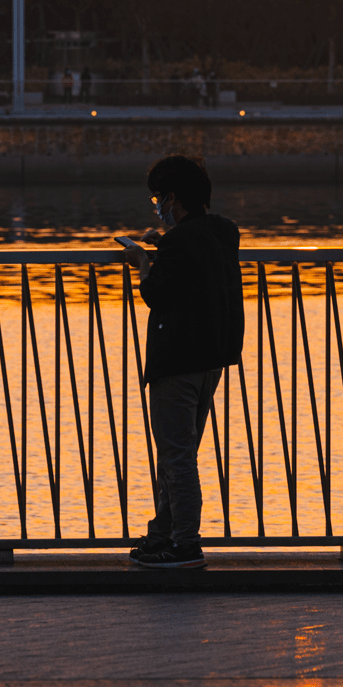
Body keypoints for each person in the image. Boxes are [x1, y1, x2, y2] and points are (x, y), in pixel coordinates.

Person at [119, 154, 244, 568]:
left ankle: (185, 543)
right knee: (179, 450)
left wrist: (141, 261)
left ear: (173, 197)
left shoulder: (178, 242)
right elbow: (197, 262)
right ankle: (163, 533)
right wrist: (165, 246)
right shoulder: (223, 233)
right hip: (212, 359)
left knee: (176, 455)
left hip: (177, 361)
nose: (158, 206)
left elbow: (156, 293)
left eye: (160, 198)